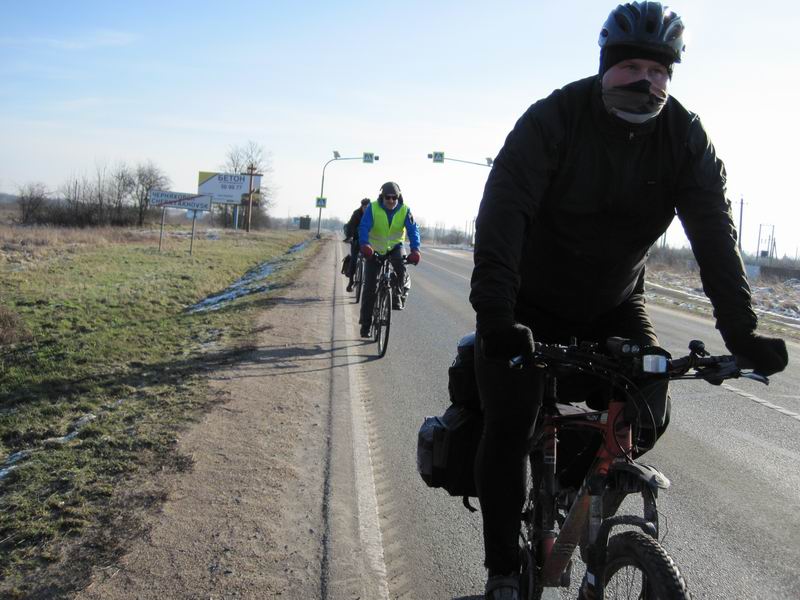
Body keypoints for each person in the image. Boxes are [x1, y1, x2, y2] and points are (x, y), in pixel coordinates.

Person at [469, 3, 789, 599]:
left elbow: (714, 236)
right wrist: (496, 317)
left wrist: (742, 334)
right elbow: (502, 216)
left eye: (661, 71)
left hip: (615, 301)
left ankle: (577, 487)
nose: (648, 81)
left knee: (651, 393)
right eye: (633, 66)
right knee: (508, 418)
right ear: (604, 67)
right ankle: (504, 575)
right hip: (527, 305)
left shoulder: (684, 139)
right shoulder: (554, 119)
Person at [358, 181, 421, 337]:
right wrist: (365, 245)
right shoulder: (373, 208)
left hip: (395, 247)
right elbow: (364, 227)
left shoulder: (405, 210)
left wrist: (415, 250)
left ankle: (397, 294)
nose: (391, 201)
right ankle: (365, 325)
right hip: (374, 249)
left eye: (395, 197)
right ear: (382, 196)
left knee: (401, 267)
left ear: (398, 197)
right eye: (388, 197)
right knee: (370, 288)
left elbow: (413, 230)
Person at [343, 197, 371, 292]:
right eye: (364, 207)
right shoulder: (356, 214)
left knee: (372, 260)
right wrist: (350, 236)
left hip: (368, 241)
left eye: (368, 207)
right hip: (356, 239)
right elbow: (351, 226)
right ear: (361, 207)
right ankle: (351, 282)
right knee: (354, 260)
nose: (366, 209)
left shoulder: (373, 214)